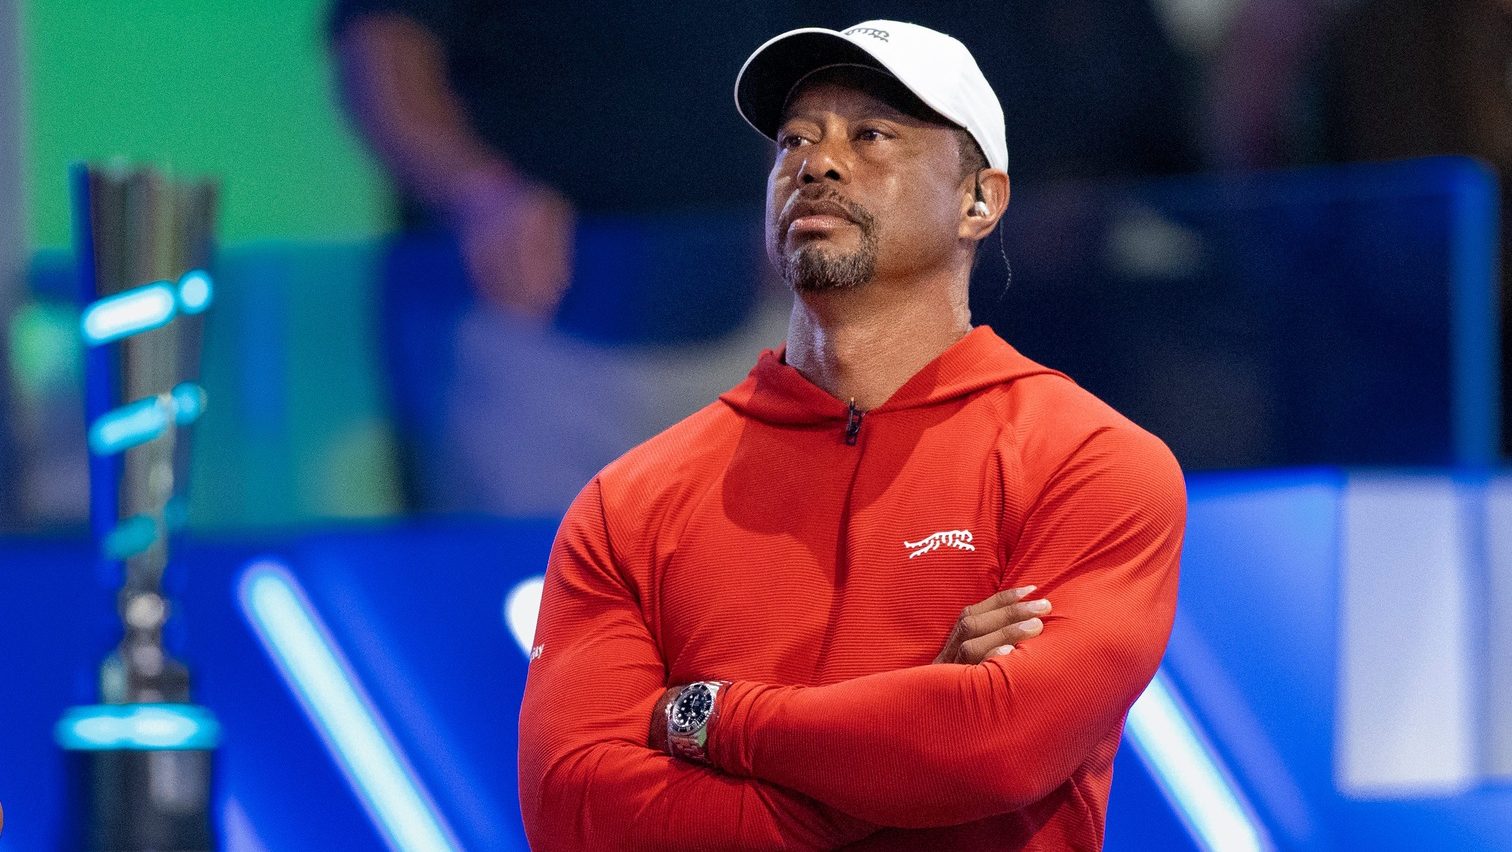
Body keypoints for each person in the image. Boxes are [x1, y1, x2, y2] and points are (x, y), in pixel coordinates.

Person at [517, 20, 1185, 850]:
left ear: (980, 200)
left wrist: (711, 717)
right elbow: (575, 811)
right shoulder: (630, 504)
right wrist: (906, 751)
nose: (817, 163)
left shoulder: (1090, 463)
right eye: (795, 139)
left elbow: (994, 748)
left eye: (873, 135)